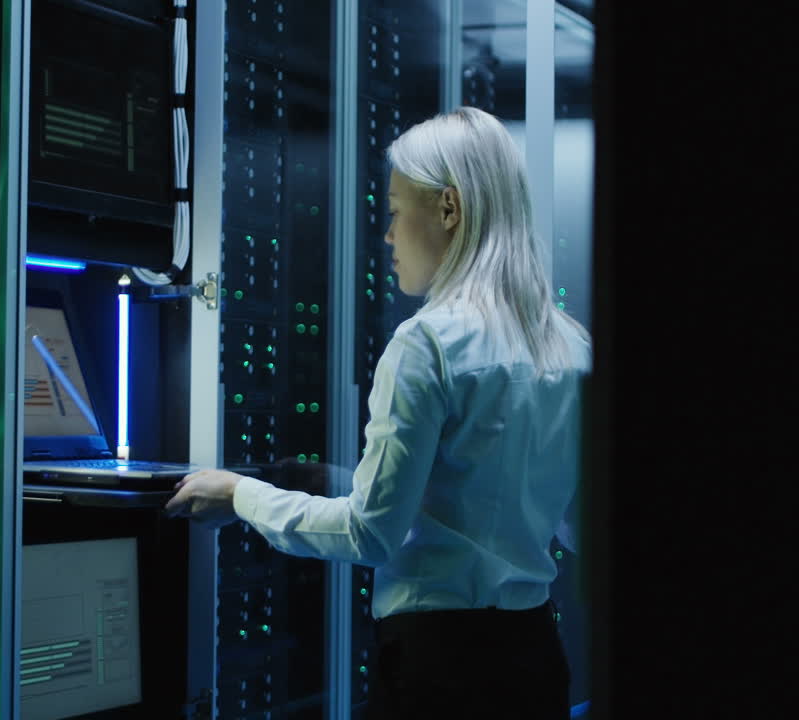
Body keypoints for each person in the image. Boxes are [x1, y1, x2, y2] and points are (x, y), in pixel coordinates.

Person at [165, 106, 591, 719]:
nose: (388, 237)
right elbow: (562, 520)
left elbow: (370, 535)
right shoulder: (570, 345)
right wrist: (343, 486)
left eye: (394, 212)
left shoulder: (427, 344)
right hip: (533, 660)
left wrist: (239, 494)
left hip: (438, 674)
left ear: (448, 209)